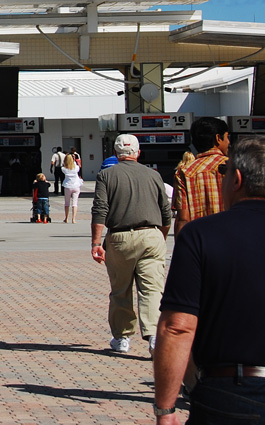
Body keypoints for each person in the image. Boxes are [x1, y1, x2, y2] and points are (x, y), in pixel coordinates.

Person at [152, 135, 265, 425]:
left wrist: (165, 409)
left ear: (236, 179)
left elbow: (178, 326)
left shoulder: (201, 235)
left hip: (231, 391)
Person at [90, 134, 173, 354]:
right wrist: (161, 237)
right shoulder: (153, 175)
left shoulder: (106, 175)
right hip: (152, 235)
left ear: (116, 154)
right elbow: (166, 211)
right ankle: (154, 336)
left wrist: (96, 242)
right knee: (152, 288)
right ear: (137, 152)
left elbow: (100, 210)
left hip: (120, 237)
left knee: (120, 289)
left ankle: (122, 337)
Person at [172, 116, 230, 237]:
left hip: (200, 242)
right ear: (218, 138)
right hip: (232, 240)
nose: (229, 142)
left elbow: (183, 219)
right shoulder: (235, 167)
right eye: (227, 137)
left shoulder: (184, 172)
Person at [61, 153, 83, 223]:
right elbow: (77, 167)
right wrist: (73, 160)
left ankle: (66, 218)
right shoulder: (76, 168)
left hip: (68, 185)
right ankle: (73, 219)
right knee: (75, 203)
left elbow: (64, 166)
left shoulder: (64, 169)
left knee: (67, 203)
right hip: (76, 185)